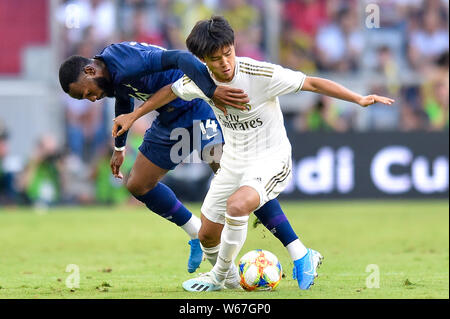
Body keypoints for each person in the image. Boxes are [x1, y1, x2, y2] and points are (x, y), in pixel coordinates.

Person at [116, 16, 394, 292]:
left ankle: (217, 275)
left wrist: (358, 98)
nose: (225, 63)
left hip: (271, 158)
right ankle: (247, 276)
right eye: (215, 59)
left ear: (233, 47)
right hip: (234, 161)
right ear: (202, 60)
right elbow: (170, 91)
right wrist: (134, 115)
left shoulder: (259, 74)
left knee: (238, 206)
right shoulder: (200, 81)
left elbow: (312, 83)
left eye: (228, 53)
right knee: (207, 234)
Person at [58, 42, 307, 284]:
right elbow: (124, 101)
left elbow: (180, 57)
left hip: (197, 105)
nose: (91, 98)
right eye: (85, 98)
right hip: (169, 117)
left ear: (90, 71)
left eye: (87, 92)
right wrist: (120, 147)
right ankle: (196, 233)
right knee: (138, 184)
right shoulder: (110, 72)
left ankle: (298, 253)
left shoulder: (127, 60)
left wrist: (211, 89)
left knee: (234, 175)